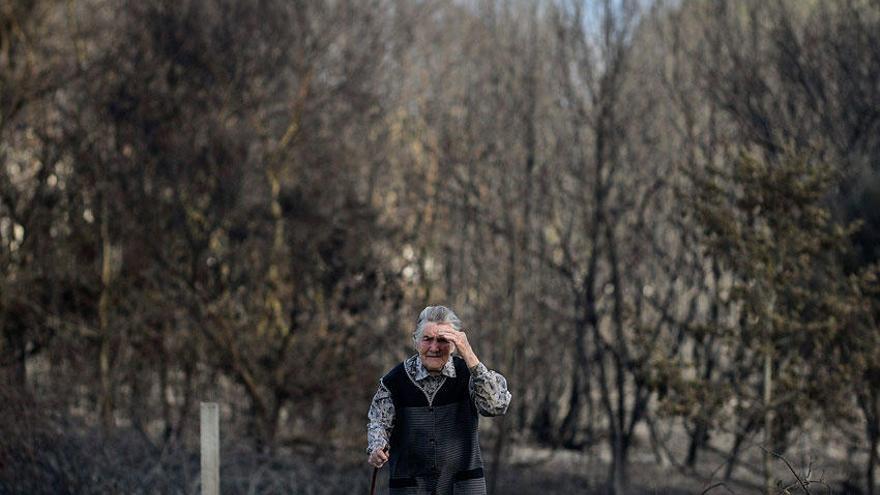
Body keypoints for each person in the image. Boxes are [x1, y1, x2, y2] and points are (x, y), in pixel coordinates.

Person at [367, 305, 511, 495]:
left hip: (463, 487)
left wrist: (469, 354)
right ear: (416, 341)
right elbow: (378, 422)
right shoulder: (394, 381)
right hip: (411, 487)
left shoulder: (471, 375)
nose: (434, 348)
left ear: (454, 344)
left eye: (442, 340)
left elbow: (496, 406)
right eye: (427, 339)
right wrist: (377, 447)